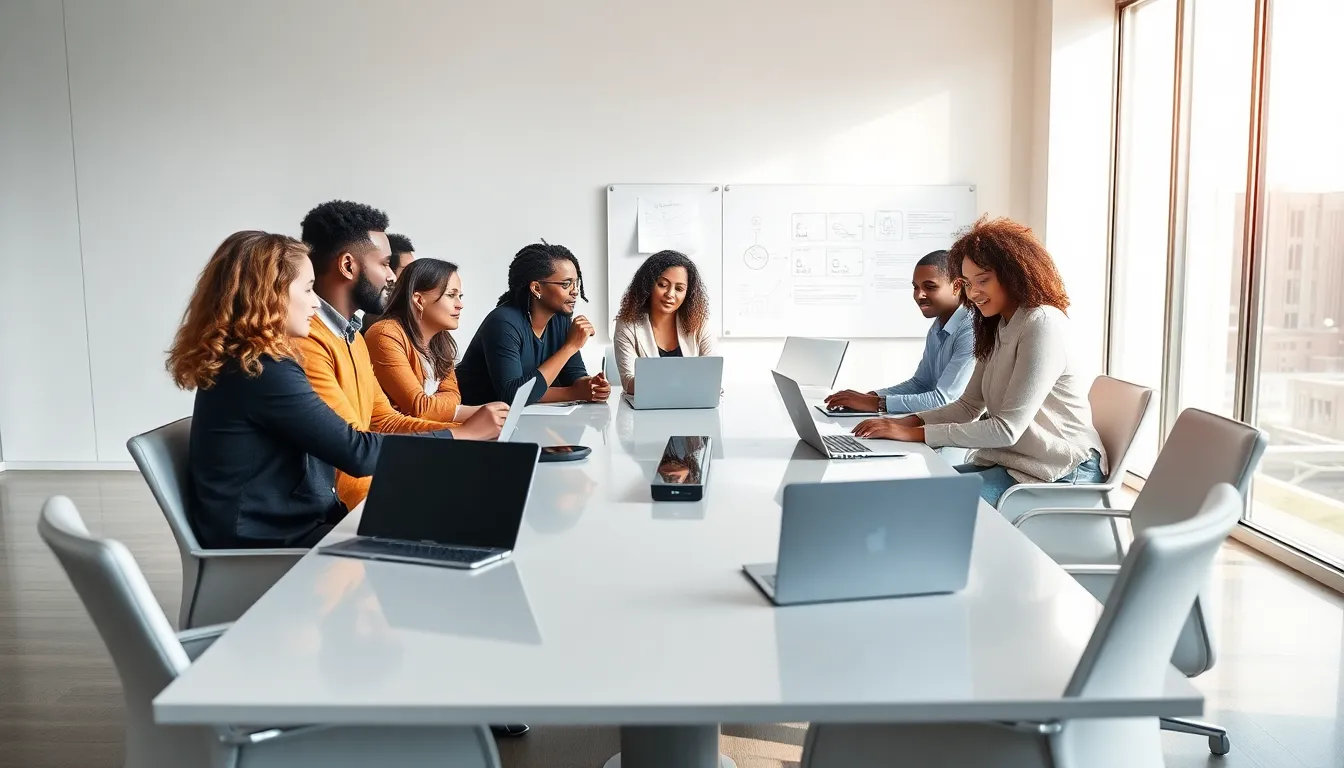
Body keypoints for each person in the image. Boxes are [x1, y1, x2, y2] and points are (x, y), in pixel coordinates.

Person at [166, 231, 454, 549]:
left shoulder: (254, 361)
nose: (316, 302)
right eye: (307, 289)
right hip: (268, 540)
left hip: (290, 523)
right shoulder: (259, 369)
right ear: (269, 295)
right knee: (439, 534)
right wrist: (455, 440)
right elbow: (356, 453)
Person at [851, 216, 1106, 508]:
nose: (973, 293)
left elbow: (1006, 429)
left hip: (1060, 469)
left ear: (1014, 273)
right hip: (1017, 461)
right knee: (909, 493)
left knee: (929, 506)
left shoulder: (1041, 323)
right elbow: (969, 406)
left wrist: (914, 434)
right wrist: (905, 422)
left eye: (983, 280)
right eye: (968, 283)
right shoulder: (997, 325)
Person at [297, 200, 506, 511]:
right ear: (348, 266)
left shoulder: (351, 336)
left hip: (375, 483)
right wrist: (460, 440)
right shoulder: (309, 341)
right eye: (384, 264)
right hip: (350, 507)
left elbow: (384, 421)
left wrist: (468, 434)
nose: (394, 277)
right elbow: (352, 453)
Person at [456, 242, 611, 406]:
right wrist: (571, 347)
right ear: (537, 288)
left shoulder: (560, 320)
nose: (575, 291)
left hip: (527, 419)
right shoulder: (503, 323)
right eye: (566, 284)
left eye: (576, 283)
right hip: (478, 421)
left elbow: (574, 375)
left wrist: (591, 386)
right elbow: (512, 395)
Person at [824, 250, 975, 414]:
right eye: (915, 287)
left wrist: (876, 403)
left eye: (930, 287)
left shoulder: (971, 330)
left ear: (957, 286)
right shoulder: (938, 326)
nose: (919, 295)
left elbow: (945, 400)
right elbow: (921, 384)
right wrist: (869, 397)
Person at [366, 258, 502, 423]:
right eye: (451, 295)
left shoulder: (441, 340)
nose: (460, 305)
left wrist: (436, 408)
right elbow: (419, 407)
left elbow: (453, 396)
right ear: (418, 300)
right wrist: (482, 412)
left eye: (460, 296)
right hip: (399, 441)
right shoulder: (384, 335)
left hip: (433, 433)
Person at [611, 250, 715, 393]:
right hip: (647, 410)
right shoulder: (627, 324)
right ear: (648, 285)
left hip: (692, 407)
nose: (670, 294)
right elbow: (628, 382)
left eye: (679, 288)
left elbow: (712, 376)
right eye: (662, 285)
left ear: (688, 293)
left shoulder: (699, 323)